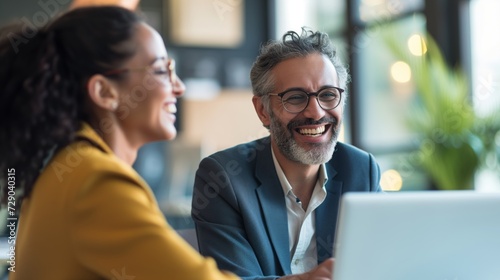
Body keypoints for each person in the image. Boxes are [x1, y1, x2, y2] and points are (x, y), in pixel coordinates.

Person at [0, 6, 239, 280]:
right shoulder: (96, 181)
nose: (179, 87)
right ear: (104, 91)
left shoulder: (65, 167)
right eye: (161, 70)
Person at [191, 28, 382, 280]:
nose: (315, 112)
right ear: (262, 110)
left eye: (327, 95)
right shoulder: (222, 177)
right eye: (295, 98)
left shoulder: (361, 169)